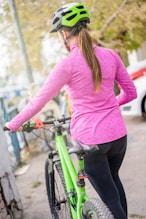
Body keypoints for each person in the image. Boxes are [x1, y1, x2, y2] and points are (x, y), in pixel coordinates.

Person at [5, 3, 137, 219]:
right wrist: (110, 105)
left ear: (64, 33)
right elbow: (130, 93)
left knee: (109, 197)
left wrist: (14, 123)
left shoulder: (67, 65)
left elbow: (38, 101)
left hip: (91, 140)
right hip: (118, 136)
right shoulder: (111, 55)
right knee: (113, 182)